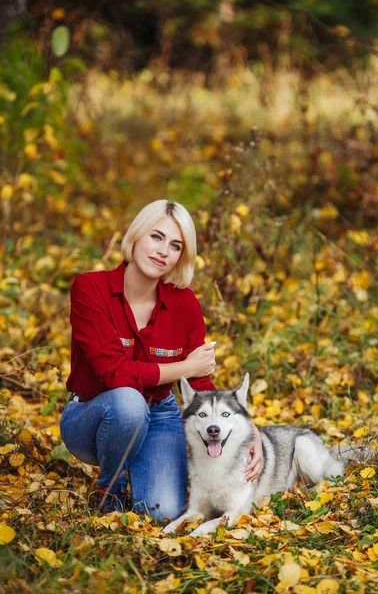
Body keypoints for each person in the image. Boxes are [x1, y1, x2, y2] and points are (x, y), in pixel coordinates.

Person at [60, 200, 263, 519]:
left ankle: (138, 467)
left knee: (163, 512)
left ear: (182, 255)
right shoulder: (90, 289)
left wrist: (250, 430)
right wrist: (184, 367)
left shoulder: (185, 305)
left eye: (175, 245)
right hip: (91, 413)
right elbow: (116, 374)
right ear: (136, 236)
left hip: (159, 412)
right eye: (156, 237)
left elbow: (200, 384)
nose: (162, 251)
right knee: (128, 403)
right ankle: (110, 488)